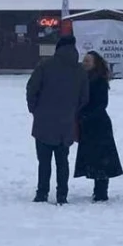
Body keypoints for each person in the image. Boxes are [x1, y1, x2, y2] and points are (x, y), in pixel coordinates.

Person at [26, 34, 89, 205]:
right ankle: (62, 194)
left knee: (44, 161)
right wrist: (73, 112)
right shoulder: (79, 70)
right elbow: (84, 97)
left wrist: (35, 110)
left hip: (43, 123)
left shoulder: (45, 65)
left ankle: (42, 193)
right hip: (66, 123)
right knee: (63, 161)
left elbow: (32, 89)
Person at [74, 50, 123, 202]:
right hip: (87, 123)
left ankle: (101, 191)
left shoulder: (99, 80)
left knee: (102, 158)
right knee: (93, 157)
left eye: (88, 61)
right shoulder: (82, 78)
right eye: (84, 60)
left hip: (98, 124)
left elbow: (101, 104)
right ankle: (98, 189)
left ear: (95, 64)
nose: (85, 63)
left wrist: (85, 115)